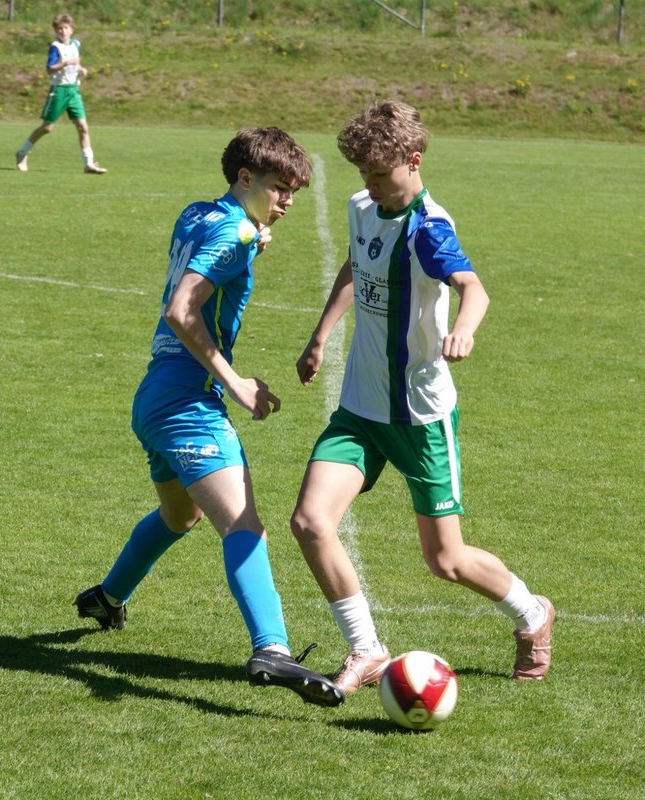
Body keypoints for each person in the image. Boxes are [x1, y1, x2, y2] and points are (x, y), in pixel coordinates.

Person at [290, 100, 555, 695]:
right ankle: (366, 650)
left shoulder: (429, 229)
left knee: (445, 561)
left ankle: (532, 612)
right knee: (310, 521)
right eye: (363, 173)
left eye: (380, 174)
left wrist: (464, 328)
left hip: (419, 415)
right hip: (360, 409)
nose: (370, 184)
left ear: (413, 161)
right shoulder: (363, 206)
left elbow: (473, 287)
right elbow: (355, 266)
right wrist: (320, 336)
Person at [74, 127, 344, 708]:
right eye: (278, 188)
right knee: (244, 526)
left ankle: (108, 597)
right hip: (187, 402)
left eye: (293, 191)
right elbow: (181, 309)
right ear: (246, 178)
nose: (287, 201)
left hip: (154, 397)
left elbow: (219, 237)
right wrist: (236, 381)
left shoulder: (200, 213)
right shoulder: (234, 232)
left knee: (181, 515)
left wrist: (253, 235)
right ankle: (271, 647)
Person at [15, 14, 107, 174]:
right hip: (59, 91)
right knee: (47, 128)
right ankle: (22, 152)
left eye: (65, 28)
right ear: (55, 30)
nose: (63, 31)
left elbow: (76, 63)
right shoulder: (55, 47)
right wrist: (65, 63)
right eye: (59, 29)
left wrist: (81, 69)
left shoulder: (75, 44)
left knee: (83, 127)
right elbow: (49, 69)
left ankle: (89, 163)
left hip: (73, 90)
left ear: (71, 30)